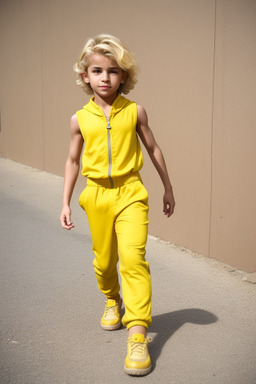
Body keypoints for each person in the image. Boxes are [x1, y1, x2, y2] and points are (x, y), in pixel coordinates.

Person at [60, 34, 175, 376]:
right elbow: (71, 161)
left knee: (133, 258)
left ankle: (137, 333)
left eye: (113, 71)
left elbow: (154, 149)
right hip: (96, 195)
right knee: (104, 261)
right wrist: (64, 202)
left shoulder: (134, 111)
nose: (105, 77)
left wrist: (168, 187)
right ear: (85, 75)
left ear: (123, 76)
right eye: (97, 70)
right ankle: (112, 299)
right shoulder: (79, 119)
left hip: (130, 193)